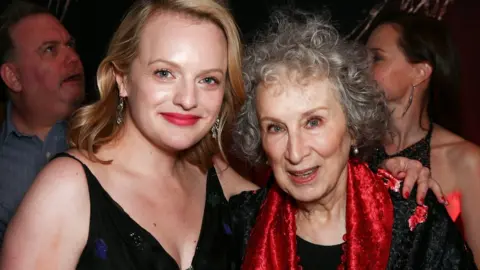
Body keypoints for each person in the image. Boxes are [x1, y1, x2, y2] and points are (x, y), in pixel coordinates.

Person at [0, 0, 450, 268]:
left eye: (209, 79)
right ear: (121, 78)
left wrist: (388, 173)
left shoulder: (213, 177)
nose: (188, 99)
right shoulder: (66, 190)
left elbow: (306, 192)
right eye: (164, 72)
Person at [229, 11, 476, 269]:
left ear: (353, 125)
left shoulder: (414, 225)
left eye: (313, 122)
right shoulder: (241, 226)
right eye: (276, 128)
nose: (295, 152)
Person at [366, 12, 480, 263]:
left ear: (420, 72)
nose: (362, 67)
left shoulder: (467, 160)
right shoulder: (352, 149)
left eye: (376, 57)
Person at [0, 0, 85, 244]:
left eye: (70, 45)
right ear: (14, 77)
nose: (72, 57)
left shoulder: (111, 133)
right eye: (50, 49)